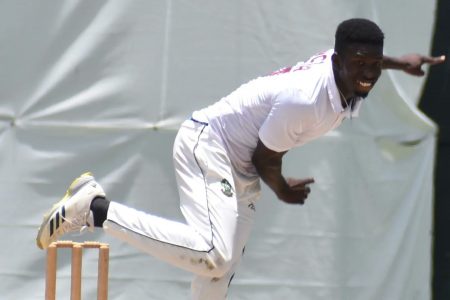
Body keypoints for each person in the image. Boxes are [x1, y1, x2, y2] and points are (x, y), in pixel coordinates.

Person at [36, 18, 445, 299]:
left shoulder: (343, 69)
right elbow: (269, 158)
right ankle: (95, 209)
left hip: (241, 161)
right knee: (213, 253)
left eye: (374, 64)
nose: (368, 74)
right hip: (210, 144)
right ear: (338, 62)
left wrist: (398, 62)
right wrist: (283, 190)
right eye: (360, 65)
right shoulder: (306, 100)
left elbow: (359, 56)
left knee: (220, 268)